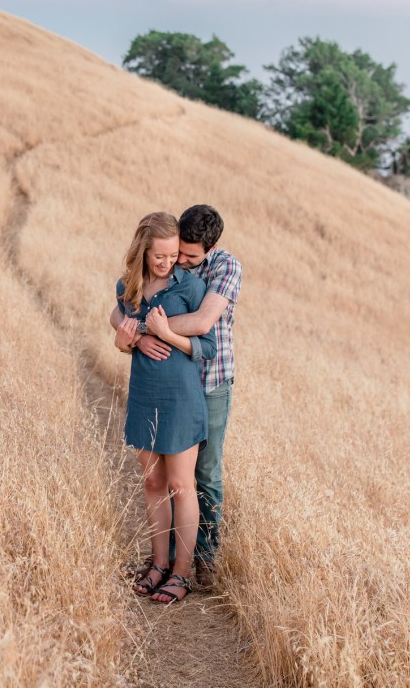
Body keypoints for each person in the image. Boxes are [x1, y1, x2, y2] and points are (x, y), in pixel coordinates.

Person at [113, 204, 241, 590]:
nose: (176, 262)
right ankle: (160, 562)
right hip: (146, 391)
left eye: (183, 256)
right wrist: (128, 336)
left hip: (204, 386)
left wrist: (156, 333)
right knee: (154, 482)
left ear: (208, 248)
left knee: (198, 478)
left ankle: (196, 564)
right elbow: (119, 318)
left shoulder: (205, 279)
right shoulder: (131, 283)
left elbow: (205, 334)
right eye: (167, 255)